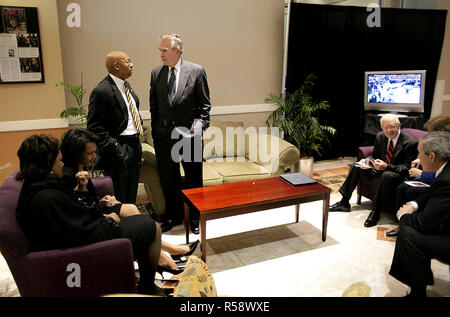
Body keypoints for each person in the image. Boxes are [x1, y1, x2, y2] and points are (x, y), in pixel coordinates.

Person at [15, 134, 162, 295]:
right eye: (59, 161)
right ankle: (147, 287)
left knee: (141, 219)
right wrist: (110, 221)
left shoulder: (38, 187)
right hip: (84, 251)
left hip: (86, 236)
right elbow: (80, 232)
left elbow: (76, 217)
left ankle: (146, 277)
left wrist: (101, 216)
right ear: (48, 165)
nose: (62, 165)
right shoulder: (47, 198)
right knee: (151, 226)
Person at [60, 128, 199, 272]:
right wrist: (84, 192)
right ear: (76, 153)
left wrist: (103, 199)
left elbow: (89, 198)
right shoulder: (68, 176)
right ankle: (164, 257)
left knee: (131, 208)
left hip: (95, 208)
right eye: (90, 153)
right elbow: (77, 208)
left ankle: (167, 252)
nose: (94, 156)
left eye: (95, 151)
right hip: (91, 220)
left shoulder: (80, 167)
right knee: (144, 224)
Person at [150, 33, 211, 233]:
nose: (161, 54)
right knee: (169, 180)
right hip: (164, 139)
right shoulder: (156, 73)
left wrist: (197, 130)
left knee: (194, 180)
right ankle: (174, 217)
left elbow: (204, 106)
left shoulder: (196, 71)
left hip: (190, 138)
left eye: (164, 50)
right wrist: (157, 131)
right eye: (160, 50)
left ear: (177, 51)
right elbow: (154, 107)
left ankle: (194, 218)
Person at [389, 131, 450, 297]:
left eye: (419, 152)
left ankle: (417, 292)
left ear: (431, 156)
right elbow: (433, 192)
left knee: (408, 231)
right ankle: (421, 278)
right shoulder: (445, 169)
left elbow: (425, 222)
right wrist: (413, 205)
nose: (417, 157)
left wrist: (403, 216)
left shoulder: (447, 178)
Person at [329, 114, 418, 227]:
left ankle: (376, 212)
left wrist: (386, 166)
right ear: (382, 128)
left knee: (387, 175)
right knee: (356, 166)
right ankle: (344, 202)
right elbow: (375, 156)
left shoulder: (410, 142)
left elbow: (407, 168)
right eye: (386, 127)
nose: (389, 130)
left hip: (396, 174)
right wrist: (367, 161)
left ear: (399, 125)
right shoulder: (380, 136)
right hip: (381, 168)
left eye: (392, 127)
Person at [87, 51, 143, 204]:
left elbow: (130, 113)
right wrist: (115, 145)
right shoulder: (101, 90)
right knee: (119, 194)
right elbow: (93, 126)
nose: (132, 64)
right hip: (118, 147)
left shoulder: (126, 86)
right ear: (116, 66)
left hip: (134, 144)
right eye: (128, 61)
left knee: (131, 191)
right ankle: (121, 224)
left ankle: (131, 221)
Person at [386, 114, 450, 237]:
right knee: (403, 187)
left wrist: (422, 173)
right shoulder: (437, 151)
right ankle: (401, 221)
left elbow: (442, 178)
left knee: (412, 191)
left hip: (435, 184)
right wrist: (422, 160)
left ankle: (411, 223)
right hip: (433, 180)